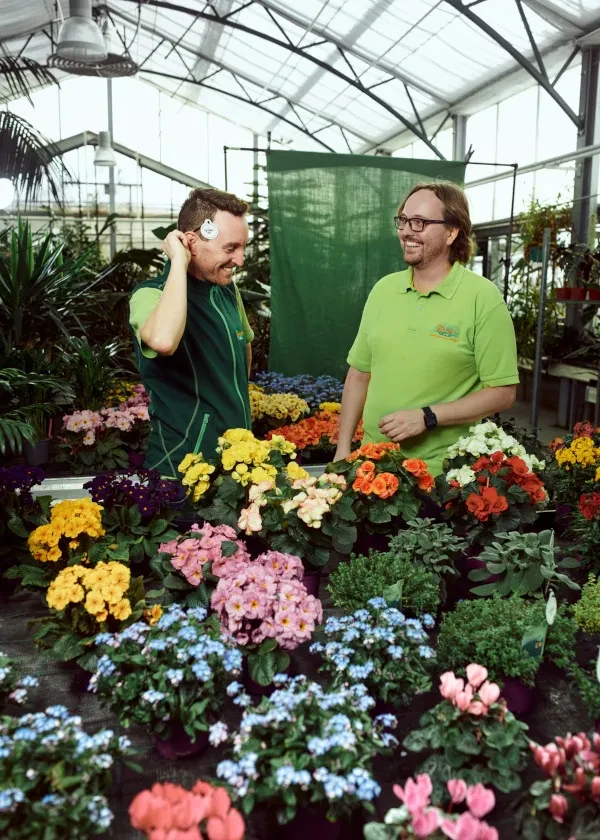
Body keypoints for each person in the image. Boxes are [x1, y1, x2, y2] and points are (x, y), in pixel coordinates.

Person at [334, 181, 518, 477]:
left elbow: (503, 392)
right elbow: (359, 374)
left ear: (451, 232)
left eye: (419, 222)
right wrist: (344, 449)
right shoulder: (384, 290)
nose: (407, 231)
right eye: (403, 220)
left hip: (441, 477)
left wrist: (428, 417)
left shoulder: (482, 298)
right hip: (371, 467)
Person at [129, 187, 254, 480]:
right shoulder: (149, 295)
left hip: (235, 462)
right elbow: (163, 341)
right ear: (191, 242)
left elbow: (244, 345)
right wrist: (178, 262)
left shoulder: (227, 291)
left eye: (243, 247)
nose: (240, 260)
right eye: (230, 248)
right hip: (181, 469)